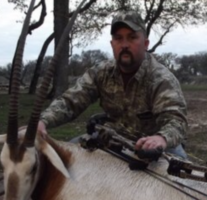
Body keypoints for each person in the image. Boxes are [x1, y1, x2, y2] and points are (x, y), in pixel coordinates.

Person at [38, 11, 188, 159]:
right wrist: (42, 121)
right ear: (112, 44)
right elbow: (70, 102)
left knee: (182, 177)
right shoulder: (100, 73)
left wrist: (161, 139)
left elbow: (176, 120)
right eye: (118, 38)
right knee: (64, 161)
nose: (124, 45)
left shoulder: (162, 79)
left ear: (146, 44)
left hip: (152, 145)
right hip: (110, 139)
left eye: (132, 37)